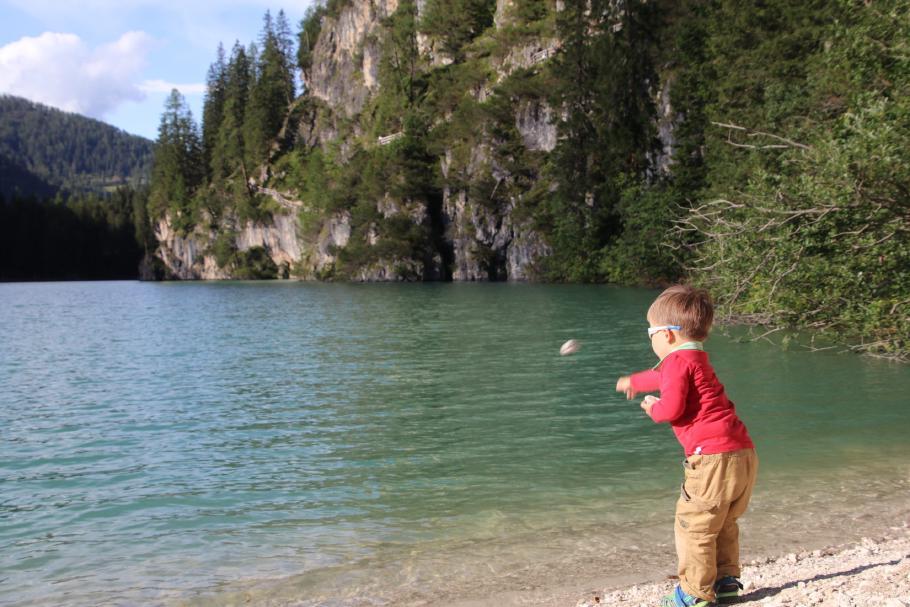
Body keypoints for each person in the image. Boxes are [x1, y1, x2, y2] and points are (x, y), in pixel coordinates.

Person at [616, 285, 757, 607]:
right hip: (742, 452)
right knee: (723, 522)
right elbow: (664, 378)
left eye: (649, 331)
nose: (648, 337)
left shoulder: (678, 362)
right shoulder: (695, 358)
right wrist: (634, 382)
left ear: (665, 335)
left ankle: (694, 593)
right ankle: (725, 583)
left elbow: (673, 407)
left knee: (694, 526)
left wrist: (653, 409)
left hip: (711, 459)